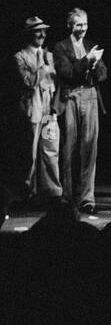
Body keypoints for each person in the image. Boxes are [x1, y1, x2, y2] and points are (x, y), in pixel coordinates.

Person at [51, 8, 107, 214]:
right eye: (78, 24)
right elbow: (66, 72)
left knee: (90, 149)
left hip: (90, 96)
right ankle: (67, 197)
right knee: (69, 149)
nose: (83, 28)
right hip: (71, 97)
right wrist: (87, 60)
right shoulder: (60, 47)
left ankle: (87, 198)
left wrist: (95, 64)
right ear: (70, 25)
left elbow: (103, 74)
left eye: (85, 24)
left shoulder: (91, 46)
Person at [12, 16, 62, 205]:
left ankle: (52, 191)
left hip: (49, 110)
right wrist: (42, 67)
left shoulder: (50, 56)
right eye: (37, 31)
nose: (42, 34)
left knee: (50, 149)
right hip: (32, 109)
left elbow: (57, 83)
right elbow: (28, 81)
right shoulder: (20, 57)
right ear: (29, 34)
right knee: (31, 153)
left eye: (43, 31)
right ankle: (28, 191)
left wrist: (56, 105)